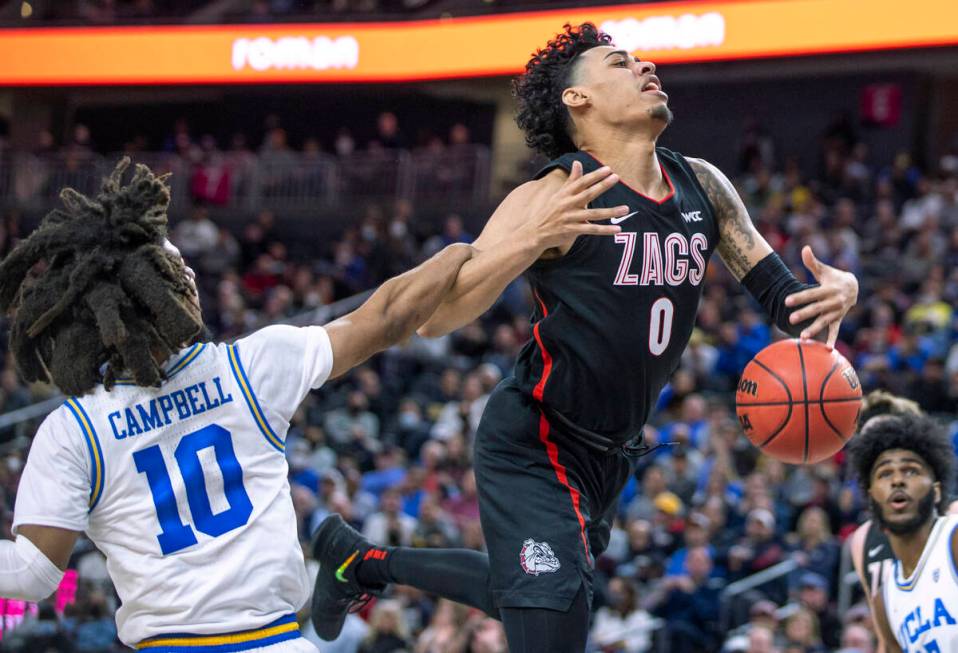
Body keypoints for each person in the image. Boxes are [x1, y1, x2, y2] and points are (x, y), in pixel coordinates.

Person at [311, 23, 858, 653]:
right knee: (551, 619)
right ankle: (358, 561)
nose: (645, 66)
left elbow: (790, 306)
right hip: (536, 438)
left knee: (532, 595)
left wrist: (840, 290)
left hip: (610, 456)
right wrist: (532, 239)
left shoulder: (702, 185)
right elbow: (438, 318)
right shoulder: (553, 190)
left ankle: (358, 560)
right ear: (579, 100)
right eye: (620, 63)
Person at [0, 158, 613, 651]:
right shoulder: (247, 368)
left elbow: (32, 577)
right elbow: (389, 317)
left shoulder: (72, 429)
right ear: (162, 293)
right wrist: (464, 254)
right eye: (178, 271)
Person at [845, 391, 958, 653]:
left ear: (937, 490)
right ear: (871, 497)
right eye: (885, 473)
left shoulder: (952, 538)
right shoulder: (885, 600)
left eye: (911, 470)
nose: (897, 480)